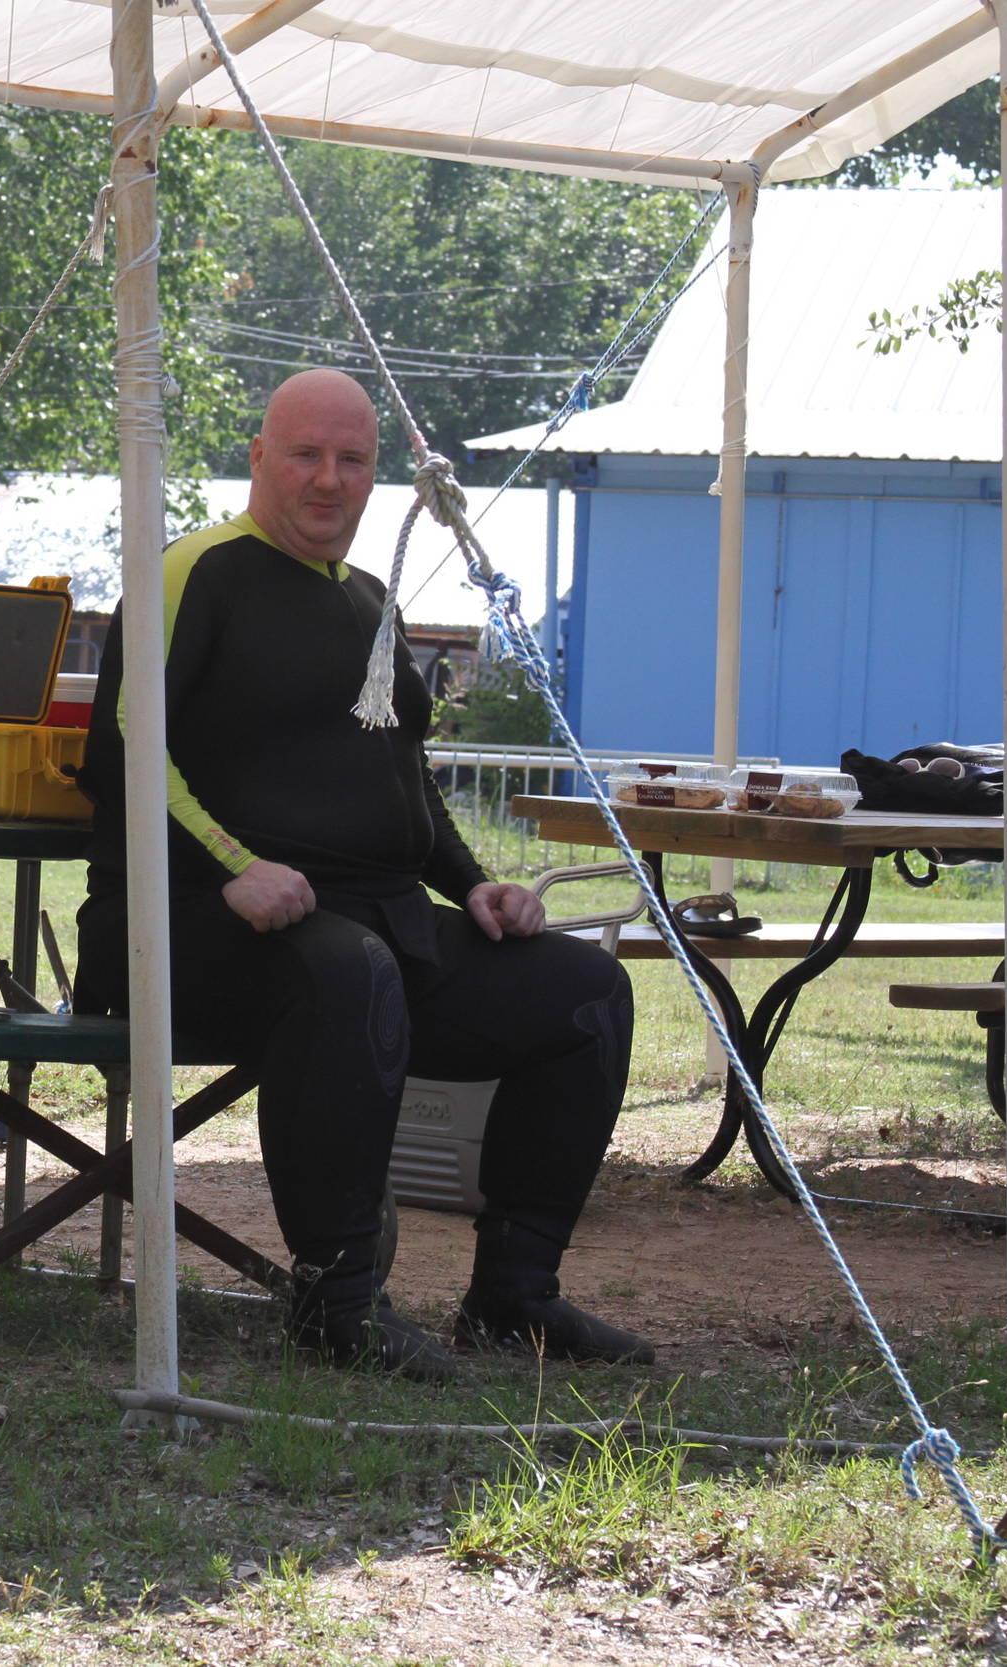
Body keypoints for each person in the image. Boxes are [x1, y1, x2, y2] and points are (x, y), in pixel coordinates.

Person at [73, 368, 652, 1379]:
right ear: (259, 457)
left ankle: (514, 1295)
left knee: (585, 994)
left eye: (352, 460)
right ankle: (335, 1301)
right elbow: (123, 748)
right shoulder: (190, 573)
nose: (328, 479)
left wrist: (472, 884)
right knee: (350, 971)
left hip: (374, 921)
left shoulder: (369, 599)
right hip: (192, 925)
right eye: (306, 455)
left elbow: (402, 775)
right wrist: (235, 866)